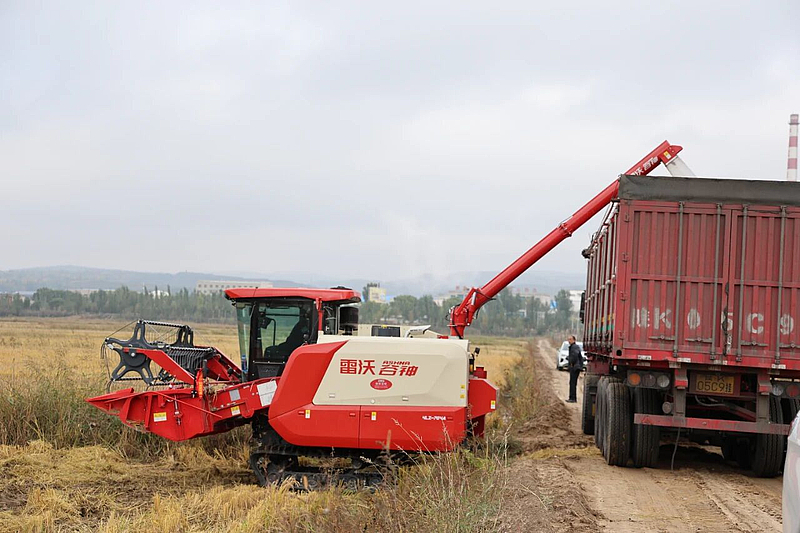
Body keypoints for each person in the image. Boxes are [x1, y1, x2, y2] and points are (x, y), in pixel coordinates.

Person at [566, 335, 583, 403]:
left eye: (570, 339)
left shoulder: (574, 347)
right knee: (572, 383)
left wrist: (571, 363)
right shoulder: (572, 347)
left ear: (574, 340)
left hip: (575, 367)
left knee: (573, 383)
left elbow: (575, 356)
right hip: (575, 366)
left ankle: (573, 398)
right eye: (568, 339)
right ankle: (572, 397)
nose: (569, 341)